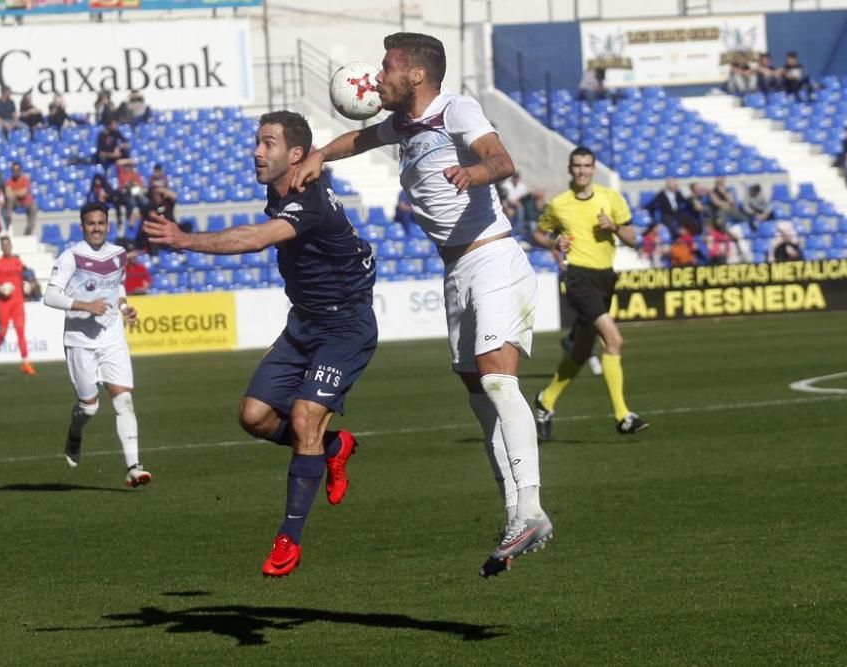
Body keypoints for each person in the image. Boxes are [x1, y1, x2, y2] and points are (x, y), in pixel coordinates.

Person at [289, 32, 550, 576]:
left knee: (499, 380)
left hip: (495, 259)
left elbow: (499, 159)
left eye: (386, 66)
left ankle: (532, 507)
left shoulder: (457, 108)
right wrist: (317, 155)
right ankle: (514, 518)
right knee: (482, 402)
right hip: (457, 271)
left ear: (415, 76)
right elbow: (360, 142)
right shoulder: (405, 124)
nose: (376, 76)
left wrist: (473, 172)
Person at [144, 110, 376, 577]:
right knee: (253, 416)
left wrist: (186, 239)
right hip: (304, 325)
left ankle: (288, 539)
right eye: (257, 141)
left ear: (295, 155)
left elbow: (256, 239)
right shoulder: (281, 192)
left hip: (344, 329)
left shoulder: (309, 202)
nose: (256, 151)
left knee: (305, 416)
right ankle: (332, 448)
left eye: (268, 143)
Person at [532, 146, 649, 441]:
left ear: (593, 169)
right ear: (570, 169)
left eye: (587, 165)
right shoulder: (560, 204)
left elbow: (634, 239)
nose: (582, 170)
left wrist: (613, 228)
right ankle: (622, 415)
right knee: (613, 339)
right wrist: (554, 243)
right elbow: (538, 233)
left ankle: (545, 401)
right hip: (577, 278)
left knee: (581, 352)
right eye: (577, 166)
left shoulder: (611, 198)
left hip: (605, 278)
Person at [42, 202, 151, 487]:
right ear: (82, 226)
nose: (97, 228)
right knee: (88, 408)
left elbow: (118, 286)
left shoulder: (118, 254)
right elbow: (50, 296)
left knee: (124, 401)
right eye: (91, 223)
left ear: (108, 225)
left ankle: (133, 467)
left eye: (101, 223)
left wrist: (125, 307)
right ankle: (75, 433)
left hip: (112, 336)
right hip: (80, 340)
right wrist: (83, 305)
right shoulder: (71, 257)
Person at [0, 236, 36, 376]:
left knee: (20, 332)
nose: (6, 247)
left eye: (8, 244)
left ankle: (25, 363)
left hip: (18, 302)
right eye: (3, 245)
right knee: (2, 333)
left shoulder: (18, 262)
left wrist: (26, 285)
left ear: (11, 246)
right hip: (3, 302)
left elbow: (23, 278)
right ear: (1, 247)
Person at [5, 162, 38, 236]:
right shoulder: (9, 181)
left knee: (34, 206)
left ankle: (29, 229)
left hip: (26, 202)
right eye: (14, 170)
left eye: (18, 170)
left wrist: (14, 192)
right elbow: (8, 194)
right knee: (10, 198)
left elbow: (24, 193)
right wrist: (18, 192)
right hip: (15, 203)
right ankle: (8, 218)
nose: (16, 172)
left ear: (20, 170)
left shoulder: (25, 179)